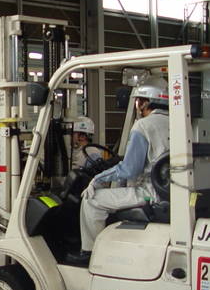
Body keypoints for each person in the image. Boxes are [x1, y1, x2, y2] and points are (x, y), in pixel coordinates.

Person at [68, 78, 169, 265]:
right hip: (169, 193)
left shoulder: (143, 126)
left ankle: (90, 253)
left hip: (149, 194)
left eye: (138, 100)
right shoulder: (177, 122)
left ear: (144, 102)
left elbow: (130, 170)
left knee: (92, 199)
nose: (137, 105)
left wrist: (97, 179)